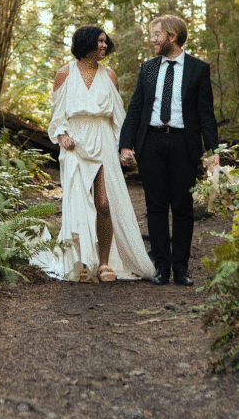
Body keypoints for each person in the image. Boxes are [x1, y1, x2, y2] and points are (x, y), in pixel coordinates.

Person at [32, 25, 154, 284]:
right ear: (85, 43)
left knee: (104, 204)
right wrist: (62, 136)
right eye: (99, 41)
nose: (104, 45)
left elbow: (118, 117)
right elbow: (57, 116)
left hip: (103, 142)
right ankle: (83, 260)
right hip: (75, 144)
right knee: (78, 204)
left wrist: (125, 147)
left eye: (104, 41)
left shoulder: (109, 75)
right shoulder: (64, 74)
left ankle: (105, 262)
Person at [119, 14, 220, 286]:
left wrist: (214, 150)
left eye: (156, 34)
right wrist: (125, 145)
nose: (152, 39)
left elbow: (205, 113)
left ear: (172, 37)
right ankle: (161, 267)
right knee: (155, 206)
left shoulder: (198, 69)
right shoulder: (148, 68)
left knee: (183, 207)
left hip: (182, 144)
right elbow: (136, 109)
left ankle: (182, 268)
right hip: (151, 142)